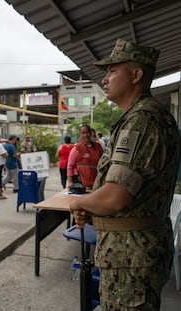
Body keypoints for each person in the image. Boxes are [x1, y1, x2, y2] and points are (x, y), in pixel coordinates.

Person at [70, 38, 181, 310]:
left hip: (130, 255)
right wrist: (92, 206)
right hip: (129, 252)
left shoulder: (142, 120)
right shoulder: (141, 117)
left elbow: (115, 198)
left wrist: (79, 202)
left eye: (112, 71)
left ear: (136, 75)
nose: (105, 79)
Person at [67, 124, 103, 190]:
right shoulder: (77, 148)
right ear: (80, 135)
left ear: (91, 133)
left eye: (87, 132)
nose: (85, 135)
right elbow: (70, 166)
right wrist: (70, 182)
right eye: (83, 133)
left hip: (97, 184)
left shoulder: (98, 147)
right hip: (81, 186)